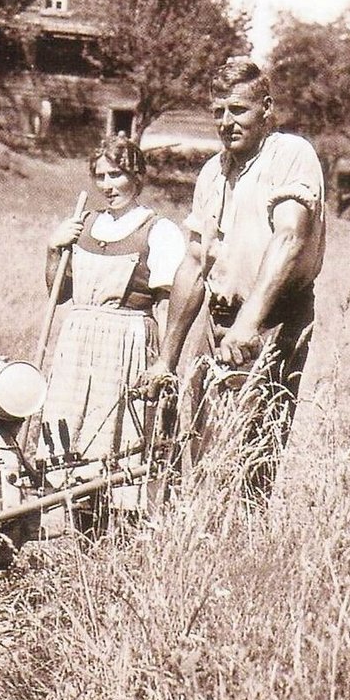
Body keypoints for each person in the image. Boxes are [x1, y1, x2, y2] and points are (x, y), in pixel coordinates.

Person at [145, 58, 326, 500]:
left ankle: (243, 539)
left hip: (273, 319)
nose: (226, 122)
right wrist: (167, 358)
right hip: (219, 318)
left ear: (266, 108)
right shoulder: (213, 171)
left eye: (238, 109)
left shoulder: (291, 155)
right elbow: (194, 263)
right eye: (218, 111)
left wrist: (248, 324)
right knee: (202, 443)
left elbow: (289, 238)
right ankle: (197, 538)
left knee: (253, 453)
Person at [39, 135, 185, 467]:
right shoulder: (84, 224)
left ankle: (114, 512)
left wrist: (164, 365)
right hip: (76, 345)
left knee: (112, 442)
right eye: (101, 176)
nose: (108, 185)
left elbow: (165, 305)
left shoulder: (158, 231)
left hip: (126, 344)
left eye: (116, 175)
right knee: (66, 436)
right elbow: (59, 294)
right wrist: (53, 248)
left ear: (138, 177)